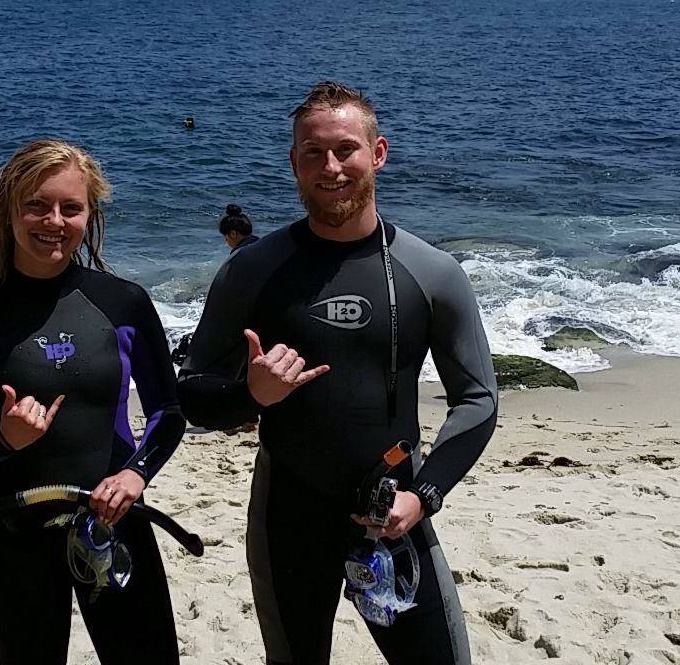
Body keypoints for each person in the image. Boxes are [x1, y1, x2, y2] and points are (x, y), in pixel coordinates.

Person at [178, 81, 497, 665]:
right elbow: (194, 395)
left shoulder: (432, 272)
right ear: (293, 162)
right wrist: (252, 395)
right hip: (287, 517)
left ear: (378, 153)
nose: (331, 167)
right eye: (312, 153)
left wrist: (424, 497)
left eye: (346, 149)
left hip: (395, 509)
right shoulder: (252, 271)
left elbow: (478, 401)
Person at [0, 139, 186, 664]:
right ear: (6, 212)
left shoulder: (123, 302)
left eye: (70, 207)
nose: (53, 221)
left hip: (114, 523)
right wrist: (1, 442)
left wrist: (134, 476)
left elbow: (167, 414)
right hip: (13, 536)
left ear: (90, 213)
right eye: (36, 205)